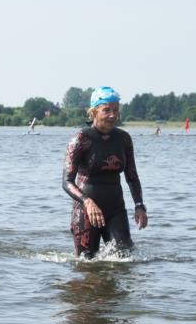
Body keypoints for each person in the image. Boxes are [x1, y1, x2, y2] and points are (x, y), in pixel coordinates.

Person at [62, 86, 148, 258]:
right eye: (106, 110)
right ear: (93, 112)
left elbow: (131, 176)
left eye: (115, 110)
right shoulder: (80, 139)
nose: (112, 115)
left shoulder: (123, 139)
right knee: (86, 263)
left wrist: (139, 205)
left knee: (124, 259)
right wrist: (87, 202)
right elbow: (67, 181)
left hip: (116, 209)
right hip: (86, 211)